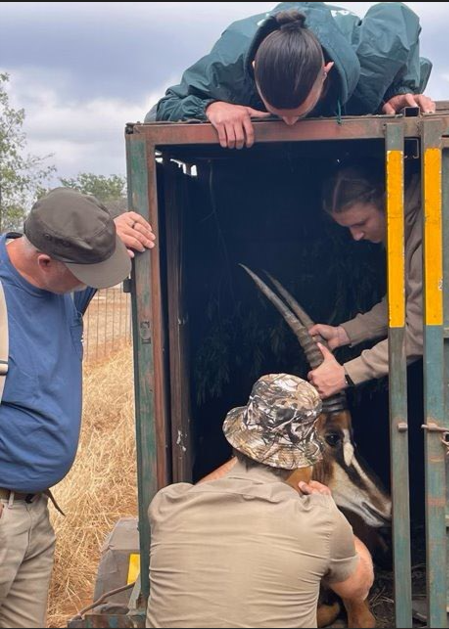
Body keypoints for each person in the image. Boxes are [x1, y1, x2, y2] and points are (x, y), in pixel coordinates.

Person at [0, 188, 155, 629]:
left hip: (33, 514)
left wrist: (109, 235)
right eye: (87, 274)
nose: (93, 284)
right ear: (45, 261)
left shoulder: (61, 284)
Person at [146, 374, 374, 628]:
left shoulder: (168, 504)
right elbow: (359, 587)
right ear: (302, 458)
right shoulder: (320, 520)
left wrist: (254, 448)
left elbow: (199, 491)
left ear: (236, 439)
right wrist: (332, 514)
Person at [146, 3, 435, 149]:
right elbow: (160, 111)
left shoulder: (373, 55)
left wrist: (397, 90)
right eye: (278, 112)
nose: (289, 123)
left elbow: (398, 16)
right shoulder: (229, 63)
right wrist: (211, 107)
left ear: (326, 73)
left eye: (300, 111)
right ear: (255, 69)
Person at [308, 160, 422, 399]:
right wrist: (344, 333)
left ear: (386, 200)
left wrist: (346, 374)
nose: (356, 236)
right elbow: (405, 302)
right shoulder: (408, 226)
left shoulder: (428, 231)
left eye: (361, 223)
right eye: (348, 228)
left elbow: (420, 333)